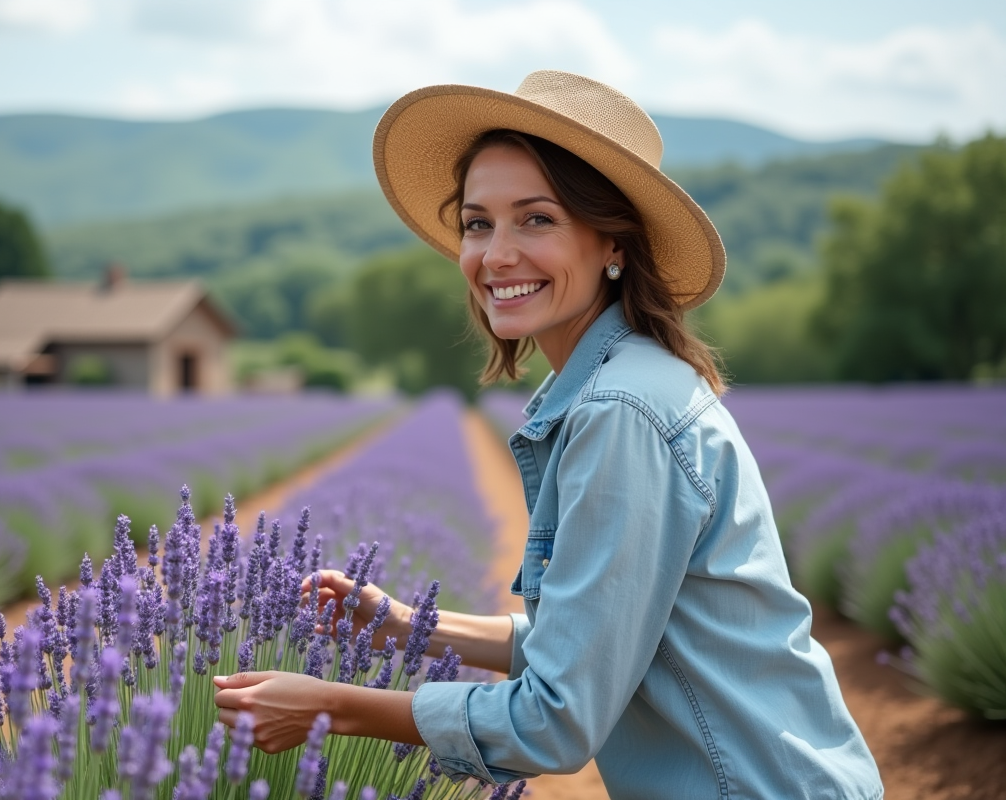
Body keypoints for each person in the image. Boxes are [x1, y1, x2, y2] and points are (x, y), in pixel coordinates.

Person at [214, 70, 884, 799]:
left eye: (537, 219)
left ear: (614, 244)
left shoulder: (618, 413)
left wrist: (331, 707)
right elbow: (599, 640)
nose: (496, 255)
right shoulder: (622, 385)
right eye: (478, 223)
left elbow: (557, 720)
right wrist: (412, 628)